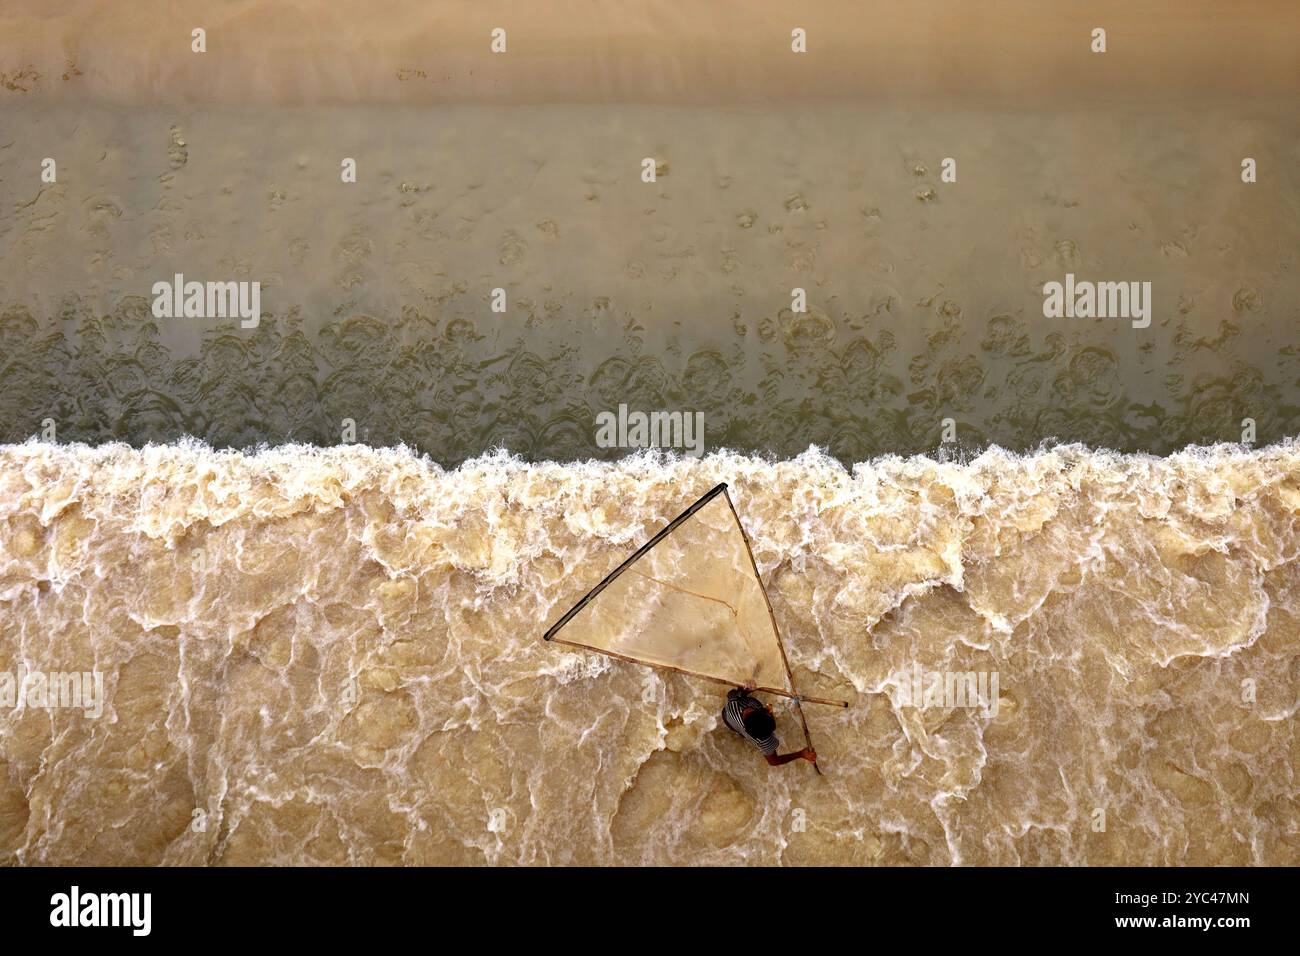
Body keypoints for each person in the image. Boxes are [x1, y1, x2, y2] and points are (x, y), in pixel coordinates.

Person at [721, 687, 817, 766]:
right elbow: (773, 761)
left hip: (733, 719)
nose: (747, 709)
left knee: (740, 698)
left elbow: (732, 694)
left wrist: (747, 689)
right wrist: (801, 754)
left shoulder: (734, 707)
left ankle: (741, 732)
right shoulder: (765, 742)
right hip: (731, 721)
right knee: (741, 730)